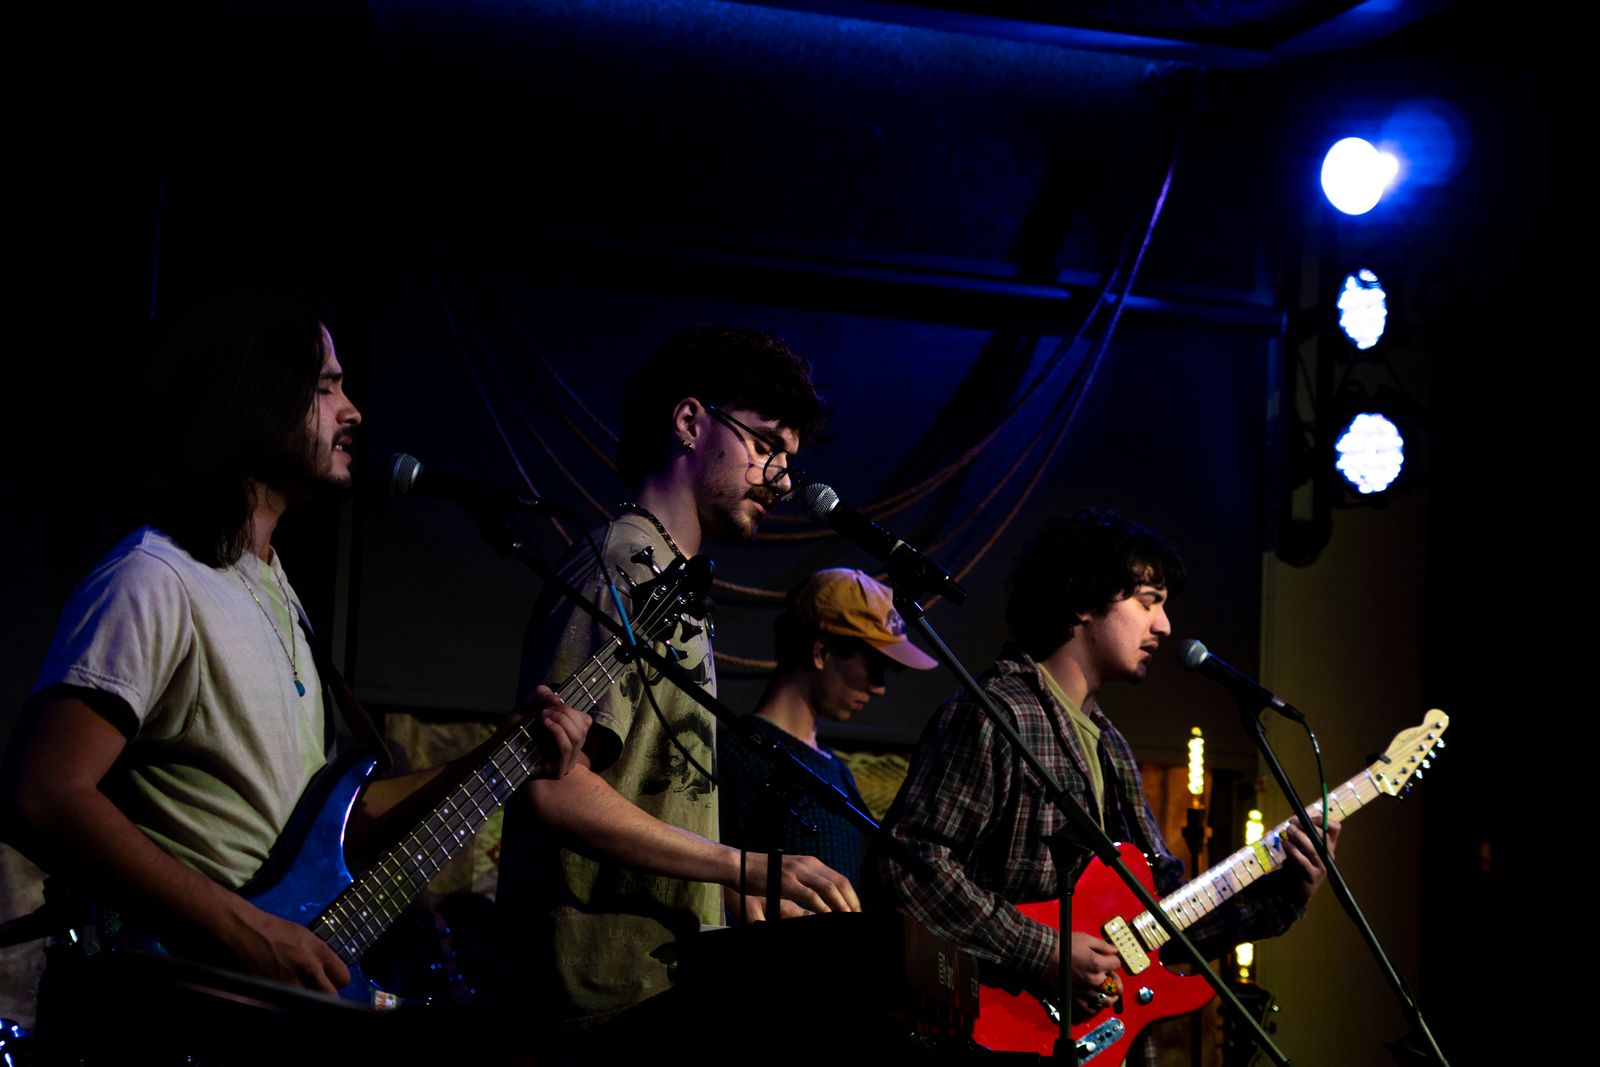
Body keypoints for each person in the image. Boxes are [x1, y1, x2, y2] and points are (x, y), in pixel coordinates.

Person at [0, 289, 588, 1002]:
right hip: (180, 1005)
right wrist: (248, 931)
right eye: (326, 387)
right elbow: (41, 793)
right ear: (257, 399)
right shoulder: (154, 578)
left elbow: (332, 824)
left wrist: (497, 754)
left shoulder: (274, 585)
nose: (354, 411)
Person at [497, 325, 860, 1040]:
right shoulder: (622, 570)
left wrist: (728, 891)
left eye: (790, 460)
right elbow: (549, 782)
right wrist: (740, 865)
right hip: (599, 1000)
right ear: (691, 423)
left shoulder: (667, 577)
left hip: (659, 986)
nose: (783, 481)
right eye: (765, 446)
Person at [870, 509, 1339, 1044]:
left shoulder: (1111, 746)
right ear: (1083, 602)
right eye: (1147, 601)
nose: (1164, 625)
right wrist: (1043, 949)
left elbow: (1161, 919)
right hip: (981, 1031)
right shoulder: (994, 715)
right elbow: (906, 867)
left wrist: (1284, 889)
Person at [719, 568, 936, 888]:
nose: (880, 688)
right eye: (876, 668)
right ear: (821, 652)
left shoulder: (838, 772)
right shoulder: (736, 756)